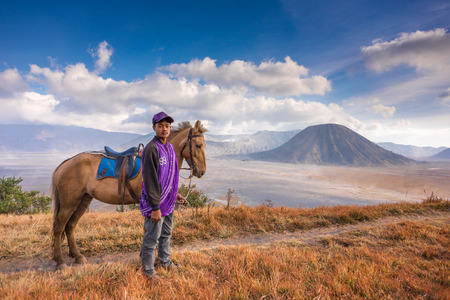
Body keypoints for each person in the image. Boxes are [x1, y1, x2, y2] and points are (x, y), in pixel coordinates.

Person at [140, 111, 185, 280]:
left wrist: (176, 193)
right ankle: (148, 271)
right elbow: (150, 180)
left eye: (167, 126)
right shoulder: (151, 149)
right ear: (154, 128)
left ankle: (165, 262)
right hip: (157, 203)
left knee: (166, 234)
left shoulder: (169, 147)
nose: (164, 129)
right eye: (160, 126)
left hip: (169, 200)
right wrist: (155, 207)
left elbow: (170, 175)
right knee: (152, 238)